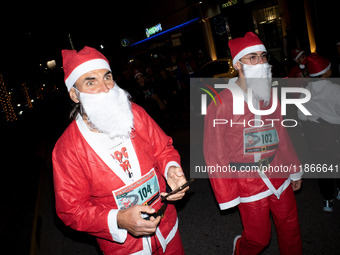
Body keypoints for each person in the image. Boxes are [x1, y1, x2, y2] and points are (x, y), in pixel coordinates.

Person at [52, 46, 189, 255]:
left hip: (167, 228)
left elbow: (163, 149)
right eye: (91, 82)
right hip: (125, 248)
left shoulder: (136, 114)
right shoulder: (67, 148)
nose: (105, 87)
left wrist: (171, 169)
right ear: (74, 94)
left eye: (107, 77)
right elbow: (71, 210)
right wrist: (119, 219)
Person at [203, 32, 303, 255]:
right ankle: (240, 248)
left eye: (263, 56)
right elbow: (215, 154)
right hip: (247, 180)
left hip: (278, 172)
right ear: (238, 64)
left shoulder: (268, 94)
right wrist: (226, 194)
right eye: (253, 57)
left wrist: (294, 170)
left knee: (291, 228)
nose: (261, 62)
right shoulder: (221, 104)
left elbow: (281, 133)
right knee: (259, 239)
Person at [297, 53, 340, 212]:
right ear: (324, 72)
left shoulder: (306, 91)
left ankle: (327, 201)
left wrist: (315, 120)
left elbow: (301, 115)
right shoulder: (335, 90)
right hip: (336, 136)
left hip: (317, 139)